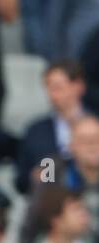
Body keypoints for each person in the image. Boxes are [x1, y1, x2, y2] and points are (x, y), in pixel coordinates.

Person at [15, 59, 90, 196]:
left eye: (58, 87)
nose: (52, 94)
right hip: (51, 207)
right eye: (48, 88)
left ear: (78, 86)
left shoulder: (95, 124)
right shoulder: (35, 131)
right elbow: (21, 181)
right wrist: (33, 178)